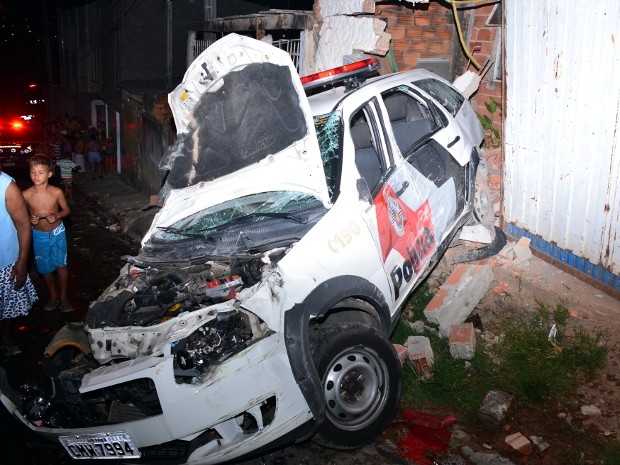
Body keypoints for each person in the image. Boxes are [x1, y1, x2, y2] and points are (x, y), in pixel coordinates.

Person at [22, 155, 73, 313]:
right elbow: (21, 216)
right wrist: (31, 219)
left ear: (50, 174)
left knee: (61, 266)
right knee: (45, 269)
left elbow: (66, 210)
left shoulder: (56, 192)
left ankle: (63, 297)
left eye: (40, 172)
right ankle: (53, 295)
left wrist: (57, 215)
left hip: (57, 232)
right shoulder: (25, 194)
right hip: (39, 235)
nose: (36, 176)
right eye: (33, 172)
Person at [0, 169, 38, 357]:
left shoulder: (6, 186)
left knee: (7, 306)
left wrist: (22, 261)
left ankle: (5, 339)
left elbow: (23, 224)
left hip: (5, 262)